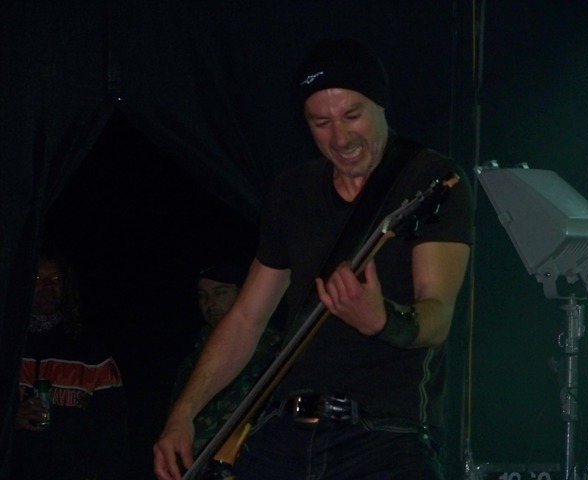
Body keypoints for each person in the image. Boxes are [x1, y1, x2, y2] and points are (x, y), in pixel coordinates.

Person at [153, 37, 472, 479]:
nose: (340, 138)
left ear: (380, 105)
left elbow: (437, 315)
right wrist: (183, 413)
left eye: (352, 116)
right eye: (321, 122)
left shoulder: (431, 179)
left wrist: (382, 320)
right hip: (285, 429)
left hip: (384, 432)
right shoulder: (292, 191)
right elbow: (246, 318)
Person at [11, 247, 129, 480]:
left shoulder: (90, 353)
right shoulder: (9, 347)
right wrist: (10, 421)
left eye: (55, 279)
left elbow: (114, 431)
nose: (47, 286)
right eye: (38, 278)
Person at [169, 260, 281, 457]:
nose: (210, 303)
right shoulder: (194, 358)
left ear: (242, 293)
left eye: (220, 293)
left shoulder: (273, 350)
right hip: (196, 462)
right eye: (202, 295)